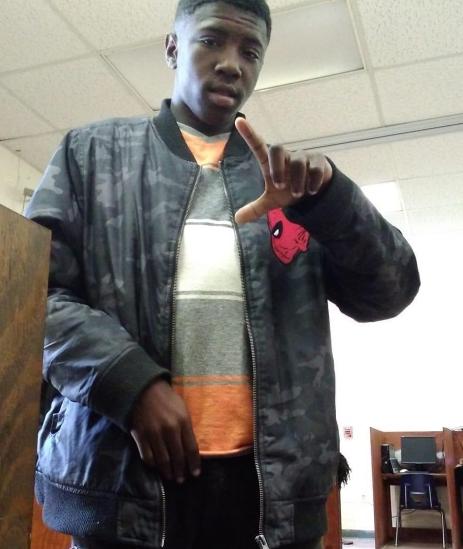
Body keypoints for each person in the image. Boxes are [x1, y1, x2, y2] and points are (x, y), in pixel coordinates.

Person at [27, 0, 420, 548]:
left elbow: (390, 292)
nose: (232, 63)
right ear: (172, 47)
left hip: (271, 496)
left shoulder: (291, 185)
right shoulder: (91, 156)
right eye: (212, 40)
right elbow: (32, 302)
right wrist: (127, 383)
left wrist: (332, 201)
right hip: (121, 478)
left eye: (250, 51)